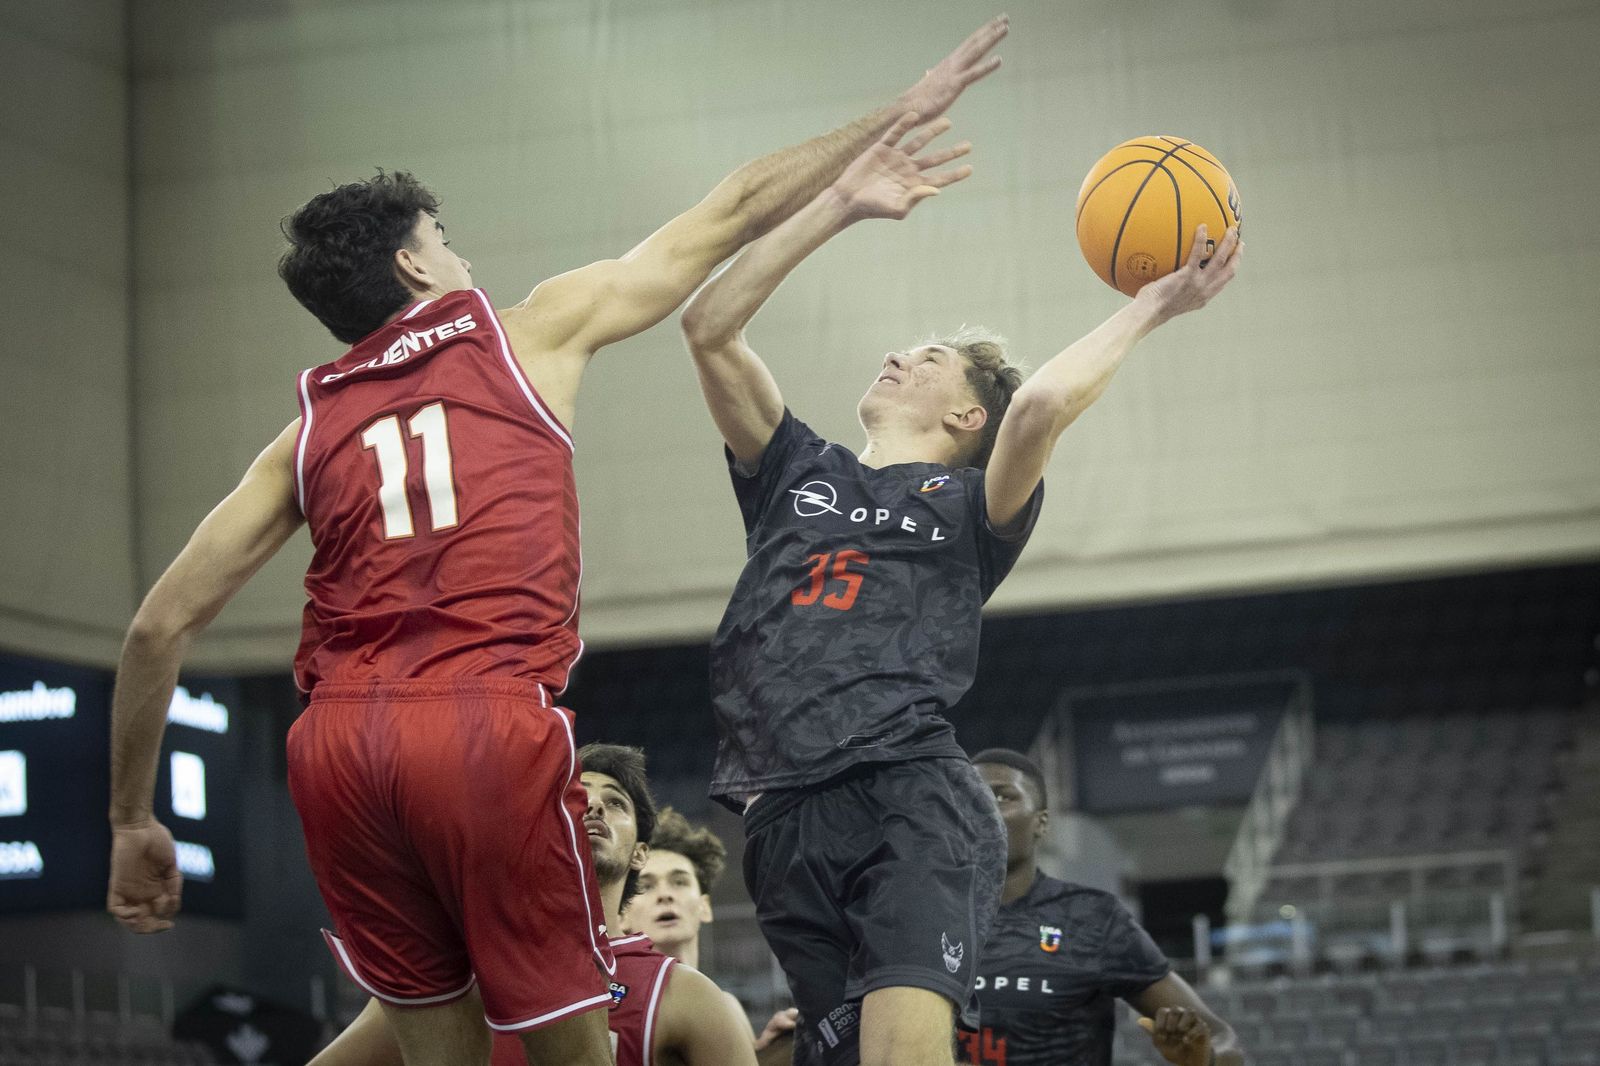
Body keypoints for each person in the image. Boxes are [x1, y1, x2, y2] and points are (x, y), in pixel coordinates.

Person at [104, 16, 1009, 1066]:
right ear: (412, 264)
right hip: (480, 721)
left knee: (435, 1053)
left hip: (334, 745)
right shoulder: (521, 329)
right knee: (578, 1047)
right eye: (448, 243)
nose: (465, 257)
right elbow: (723, 213)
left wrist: (131, 818)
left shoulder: (304, 428)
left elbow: (157, 623)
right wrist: (893, 115)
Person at [679, 115, 1242, 1066]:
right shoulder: (793, 469)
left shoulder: (973, 501)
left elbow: (1042, 405)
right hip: (779, 813)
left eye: (932, 355)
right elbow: (707, 324)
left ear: (965, 412)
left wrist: (1156, 303)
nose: (903, 352)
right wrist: (839, 205)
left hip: (908, 789)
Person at [307, 743, 758, 1066]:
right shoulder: (457, 971)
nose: (593, 808)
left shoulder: (688, 995)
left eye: (614, 803)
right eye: (576, 798)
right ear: (541, 827)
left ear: (640, 850)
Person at [962, 750, 1246, 1066]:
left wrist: (1204, 1058)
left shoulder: (1093, 918)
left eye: (1002, 797)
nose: (982, 808)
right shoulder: (922, 920)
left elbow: (1223, 1039)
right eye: (969, 796)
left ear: (1041, 823)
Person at [627, 807, 801, 1053]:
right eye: (646, 885)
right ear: (622, 914)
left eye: (679, 882)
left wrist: (763, 1053)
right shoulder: (614, 1009)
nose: (665, 895)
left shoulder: (727, 1006)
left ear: (704, 907)